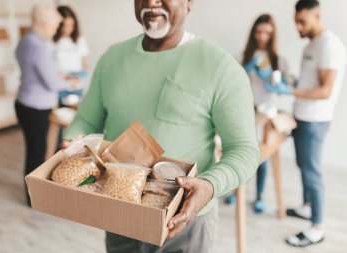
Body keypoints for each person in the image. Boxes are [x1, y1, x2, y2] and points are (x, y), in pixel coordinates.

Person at [62, 0, 260, 252]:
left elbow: (244, 150)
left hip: (184, 221)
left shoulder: (220, 67)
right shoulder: (112, 59)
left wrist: (210, 185)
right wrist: (70, 145)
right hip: (119, 211)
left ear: (189, 2)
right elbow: (86, 120)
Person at [276, 0, 346, 247]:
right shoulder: (313, 44)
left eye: (303, 21)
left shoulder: (328, 45)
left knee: (312, 171)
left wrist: (290, 92)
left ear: (318, 16)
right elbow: (309, 82)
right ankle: (307, 207)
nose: (298, 26)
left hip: (315, 120)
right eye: (296, 21)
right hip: (303, 116)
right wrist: (292, 83)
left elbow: (325, 90)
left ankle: (317, 228)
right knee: (303, 164)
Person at [15, 4, 79, 206]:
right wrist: (70, 82)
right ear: (43, 24)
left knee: (34, 149)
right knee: (36, 152)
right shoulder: (39, 46)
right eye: (54, 26)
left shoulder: (26, 40)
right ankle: (33, 198)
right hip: (36, 107)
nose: (55, 30)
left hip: (24, 102)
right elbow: (51, 83)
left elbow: (36, 73)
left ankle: (34, 194)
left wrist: (57, 76)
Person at [225, 14, 289, 214]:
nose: (262, 36)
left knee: (262, 154)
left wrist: (276, 82)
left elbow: (286, 86)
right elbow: (231, 81)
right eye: (259, 32)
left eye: (267, 32)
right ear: (254, 33)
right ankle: (236, 190)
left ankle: (259, 196)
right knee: (240, 151)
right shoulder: (244, 55)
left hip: (266, 112)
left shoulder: (279, 60)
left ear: (273, 34)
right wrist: (246, 68)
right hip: (245, 110)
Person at [53, 5, 90, 104]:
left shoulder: (80, 40)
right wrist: (65, 78)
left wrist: (77, 78)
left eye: (71, 25)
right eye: (64, 25)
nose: (67, 29)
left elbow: (85, 65)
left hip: (77, 86)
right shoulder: (52, 42)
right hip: (59, 86)